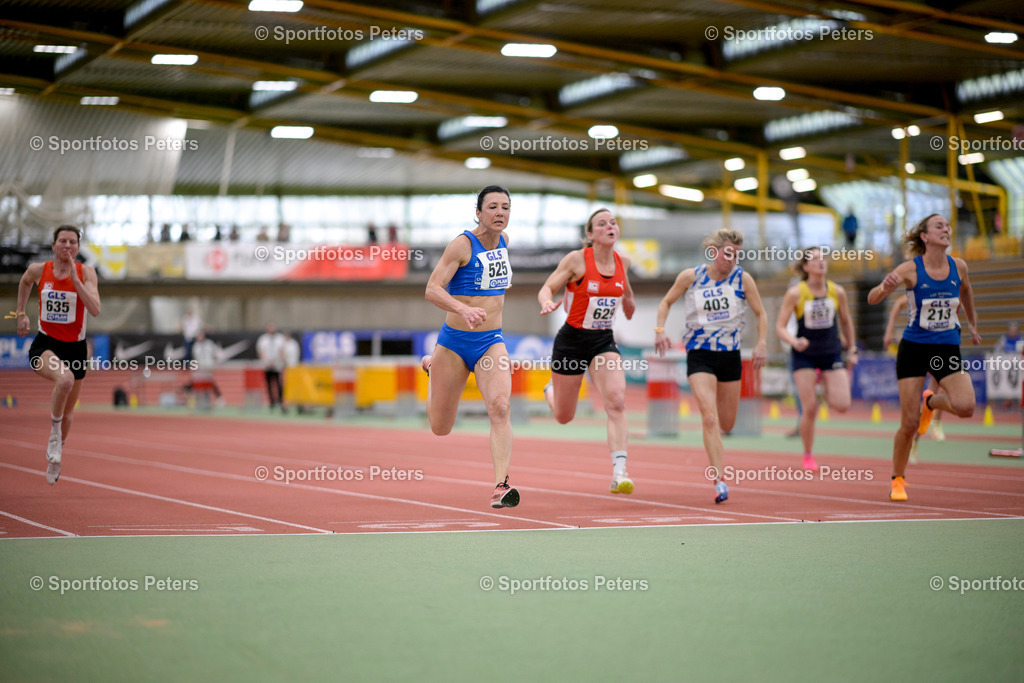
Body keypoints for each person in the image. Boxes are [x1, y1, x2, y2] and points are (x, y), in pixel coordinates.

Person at [867, 214, 981, 501]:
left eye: (948, 226)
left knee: (966, 406)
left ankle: (931, 402)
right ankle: (898, 479)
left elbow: (966, 291)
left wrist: (972, 323)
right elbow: (872, 298)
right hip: (915, 349)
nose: (946, 229)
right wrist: (884, 287)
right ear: (925, 237)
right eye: (939, 226)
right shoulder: (910, 269)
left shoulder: (959, 267)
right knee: (909, 423)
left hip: (946, 348)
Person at [421, 186, 518, 508]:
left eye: (505, 207)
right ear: (478, 213)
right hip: (454, 343)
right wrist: (463, 309)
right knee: (440, 428)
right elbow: (432, 289)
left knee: (501, 407)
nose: (500, 212)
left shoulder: (504, 242)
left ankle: (501, 485)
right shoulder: (462, 245)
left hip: (491, 341)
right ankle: (432, 366)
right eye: (493, 207)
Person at [654, 229, 768, 504]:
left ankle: (718, 455)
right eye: (728, 253)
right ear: (714, 251)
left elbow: (760, 313)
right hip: (700, 354)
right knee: (708, 417)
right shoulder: (691, 277)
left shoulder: (743, 279)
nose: (731, 259)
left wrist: (762, 342)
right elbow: (666, 302)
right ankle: (719, 480)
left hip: (729, 355)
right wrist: (660, 330)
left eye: (736, 255)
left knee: (726, 423)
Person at [537, 208, 637, 494]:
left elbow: (624, 287)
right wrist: (546, 302)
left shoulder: (623, 262)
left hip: (602, 340)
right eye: (601, 224)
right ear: (590, 234)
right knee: (564, 416)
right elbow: (547, 288)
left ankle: (620, 473)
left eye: (613, 222)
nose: (610, 226)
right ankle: (551, 391)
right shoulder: (577, 260)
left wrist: (629, 301)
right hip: (571, 342)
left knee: (616, 400)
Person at [15, 225, 102, 484]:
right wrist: (21, 314)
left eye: (72, 242)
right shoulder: (39, 270)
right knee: (64, 380)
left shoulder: (86, 273)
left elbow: (95, 309)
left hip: (75, 348)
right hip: (46, 345)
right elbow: (25, 281)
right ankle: (54, 436)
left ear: (78, 247)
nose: (67, 246)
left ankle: (57, 451)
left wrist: (76, 281)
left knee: (69, 411)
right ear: (54, 245)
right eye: (62, 241)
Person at [775, 247, 857, 471]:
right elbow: (780, 326)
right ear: (806, 266)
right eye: (815, 259)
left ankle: (827, 389)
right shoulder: (796, 293)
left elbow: (846, 322)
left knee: (842, 405)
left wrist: (852, 349)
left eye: (823, 258)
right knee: (809, 408)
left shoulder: (837, 291)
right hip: (805, 355)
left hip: (831, 352)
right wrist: (794, 341)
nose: (821, 262)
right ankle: (808, 455)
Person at [884, 296, 946, 453]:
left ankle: (936, 421)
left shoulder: (954, 292)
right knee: (916, 406)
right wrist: (889, 330)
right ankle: (914, 440)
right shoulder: (923, 290)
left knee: (941, 385)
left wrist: (972, 323)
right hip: (918, 345)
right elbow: (898, 303)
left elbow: (965, 303)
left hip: (941, 345)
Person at [256, 323, 286, 412]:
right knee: (269, 384)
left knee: (279, 384)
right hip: (267, 365)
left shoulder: (280, 338)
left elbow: (282, 351)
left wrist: (276, 361)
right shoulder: (262, 339)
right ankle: (271, 402)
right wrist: (267, 362)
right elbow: (260, 352)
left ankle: (281, 401)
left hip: (277, 365)